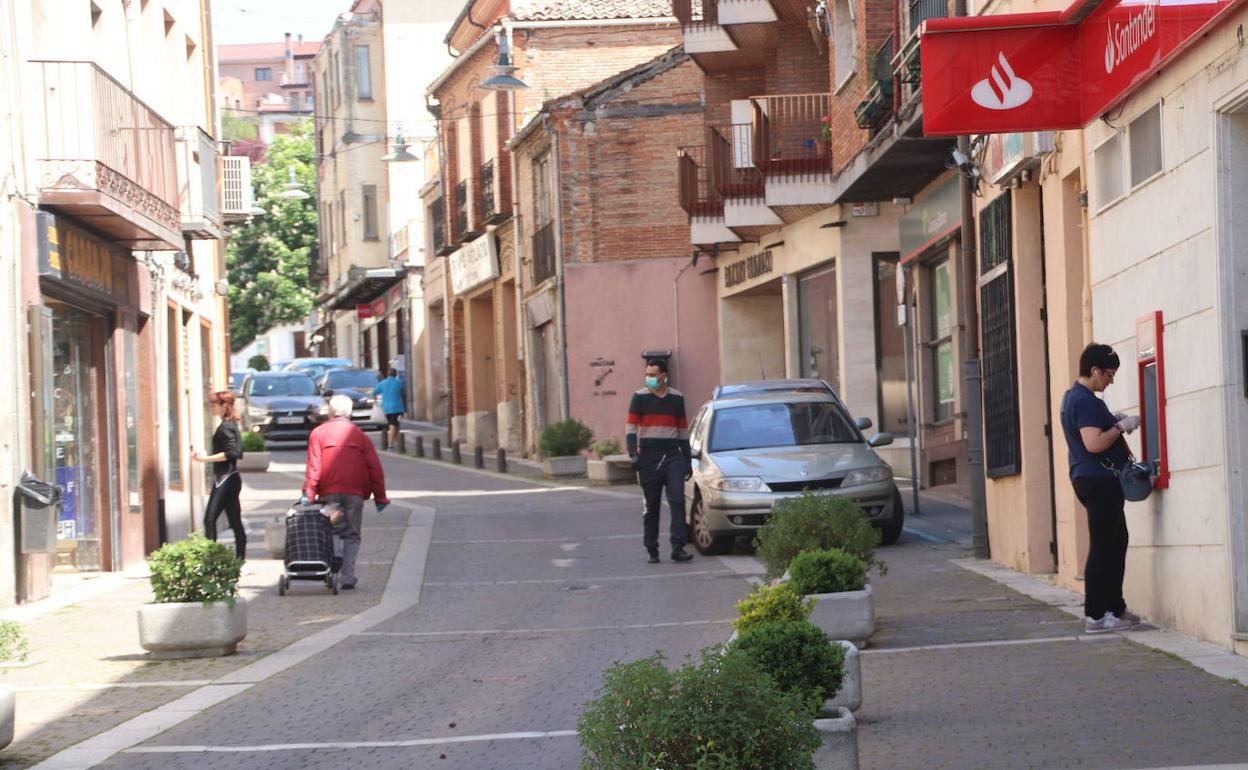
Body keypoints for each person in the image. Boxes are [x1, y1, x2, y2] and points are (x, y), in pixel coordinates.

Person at [1059, 343, 1142, 633]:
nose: (1111, 379)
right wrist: (1121, 426)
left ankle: (1115, 608)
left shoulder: (1077, 398)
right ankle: (1097, 614)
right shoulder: (1085, 401)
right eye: (1108, 373)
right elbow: (1093, 443)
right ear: (1094, 370)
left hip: (1092, 479)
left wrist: (1113, 420)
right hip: (1098, 481)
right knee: (1105, 545)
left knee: (1115, 541)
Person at [301, 394, 390, 589]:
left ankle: (336, 557)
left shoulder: (318, 433)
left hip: (328, 493)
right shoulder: (360, 435)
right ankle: (348, 576)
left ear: (331, 412)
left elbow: (314, 467)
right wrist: (380, 497)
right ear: (350, 412)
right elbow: (375, 468)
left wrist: (308, 493)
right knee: (352, 534)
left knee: (332, 529)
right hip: (355, 493)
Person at [626, 358, 693, 564]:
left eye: (653, 375)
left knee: (677, 500)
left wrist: (687, 460)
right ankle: (652, 548)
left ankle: (678, 546)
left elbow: (682, 430)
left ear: (663, 376)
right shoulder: (639, 397)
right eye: (647, 375)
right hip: (649, 457)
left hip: (672, 455)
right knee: (652, 505)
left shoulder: (676, 398)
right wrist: (633, 455)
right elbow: (631, 428)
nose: (649, 378)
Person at [192, 391, 246, 560]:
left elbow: (232, 453)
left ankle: (210, 559)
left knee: (209, 519)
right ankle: (240, 559)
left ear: (224, 406)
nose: (212, 408)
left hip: (225, 478)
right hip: (231, 477)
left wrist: (203, 459)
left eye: (214, 404)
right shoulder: (230, 425)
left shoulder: (226, 427)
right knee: (235, 521)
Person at [373, 367, 405, 450]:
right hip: (398, 408)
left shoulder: (383, 383)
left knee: (395, 425)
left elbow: (374, 392)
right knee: (394, 425)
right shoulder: (399, 383)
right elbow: (403, 393)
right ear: (396, 374)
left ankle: (397, 443)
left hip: (386, 408)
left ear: (388, 374)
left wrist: (375, 400)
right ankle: (391, 444)